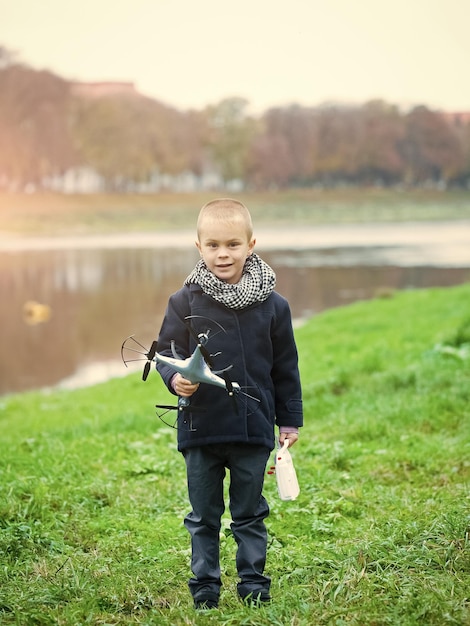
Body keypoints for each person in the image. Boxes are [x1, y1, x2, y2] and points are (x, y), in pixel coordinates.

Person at [155, 198, 303, 610]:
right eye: (214, 245)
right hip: (201, 429)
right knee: (203, 515)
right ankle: (205, 588)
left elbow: (286, 368)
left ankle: (254, 585)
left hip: (253, 428)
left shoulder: (275, 306)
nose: (224, 254)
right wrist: (175, 379)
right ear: (198, 247)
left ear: (251, 244)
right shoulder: (183, 302)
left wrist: (288, 423)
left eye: (233, 244)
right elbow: (166, 351)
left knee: (249, 512)